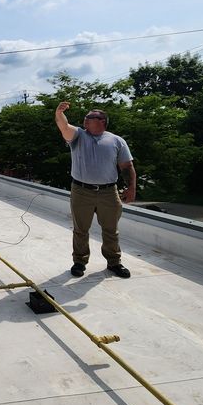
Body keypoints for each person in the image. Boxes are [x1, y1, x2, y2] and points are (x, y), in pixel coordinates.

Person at [55, 103, 136, 279]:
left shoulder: (116, 141)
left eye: (89, 118)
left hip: (109, 192)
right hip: (81, 190)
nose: (85, 120)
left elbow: (127, 166)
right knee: (80, 229)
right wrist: (59, 113)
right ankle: (79, 262)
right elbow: (64, 126)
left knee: (111, 229)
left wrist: (131, 188)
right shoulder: (78, 136)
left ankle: (114, 262)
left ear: (101, 121)